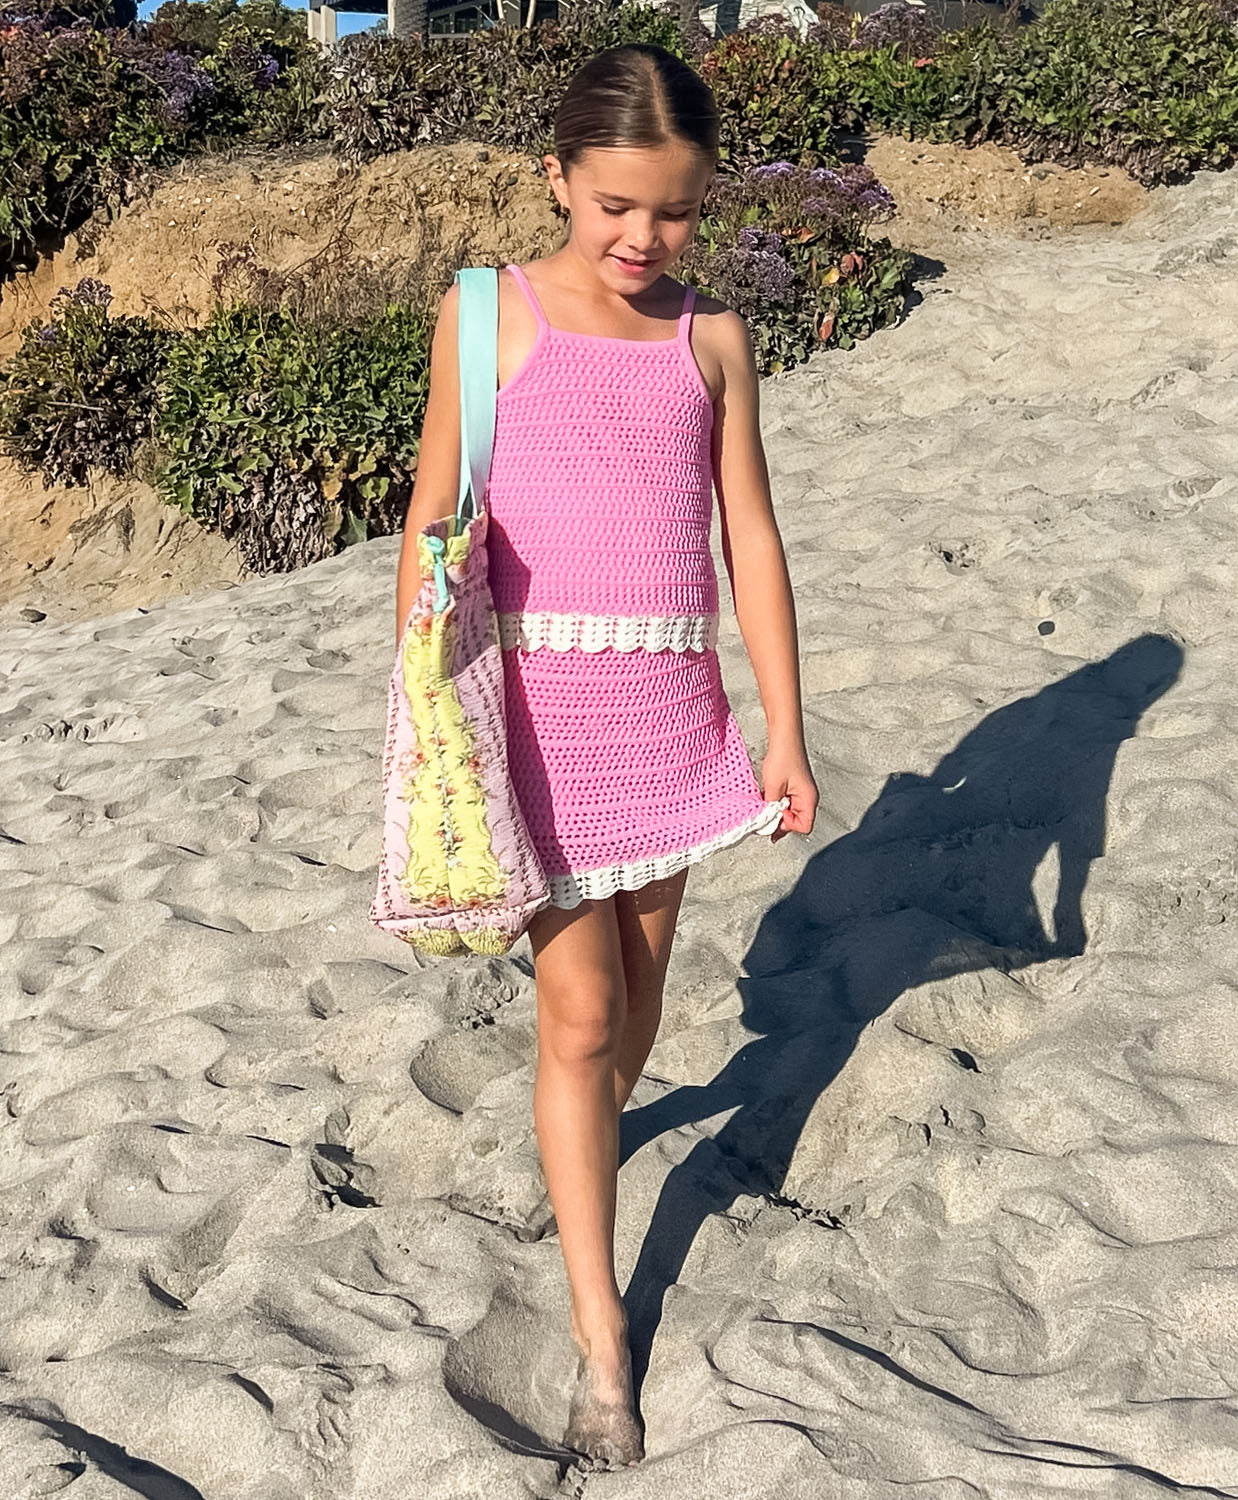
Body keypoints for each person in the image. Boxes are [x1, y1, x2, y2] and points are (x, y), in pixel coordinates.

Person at [394, 41, 818, 1469]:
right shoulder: (484, 314)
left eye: (676, 212)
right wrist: (434, 727)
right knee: (576, 1020)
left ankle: (582, 1137)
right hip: (531, 724)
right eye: (614, 206)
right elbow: (430, 521)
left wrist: (785, 726)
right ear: (560, 179)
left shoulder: (711, 341)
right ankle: (600, 1341)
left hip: (672, 716)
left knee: (634, 1014)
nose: (642, 240)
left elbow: (746, 536)